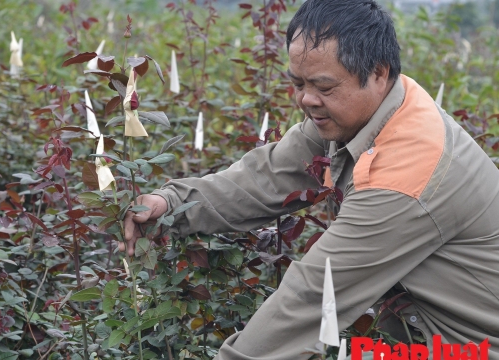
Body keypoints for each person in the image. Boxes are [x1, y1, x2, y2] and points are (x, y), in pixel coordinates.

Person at [123, 0, 499, 358]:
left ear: (379, 73)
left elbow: (315, 296)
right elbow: (264, 178)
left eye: (324, 87)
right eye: (298, 83)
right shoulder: (368, 110)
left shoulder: (407, 175)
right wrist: (172, 202)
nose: (305, 100)